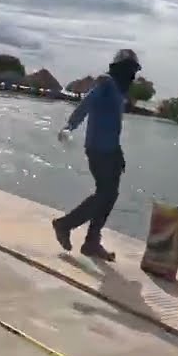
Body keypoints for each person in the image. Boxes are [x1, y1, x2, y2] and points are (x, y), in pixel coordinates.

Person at [52, 49, 142, 261]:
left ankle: (92, 242)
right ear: (119, 69)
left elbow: (114, 125)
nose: (132, 75)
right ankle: (65, 225)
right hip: (97, 149)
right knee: (105, 194)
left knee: (110, 195)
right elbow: (86, 105)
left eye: (134, 71)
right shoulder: (106, 83)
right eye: (129, 70)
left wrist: (119, 154)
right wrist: (69, 127)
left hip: (111, 150)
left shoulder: (119, 91)